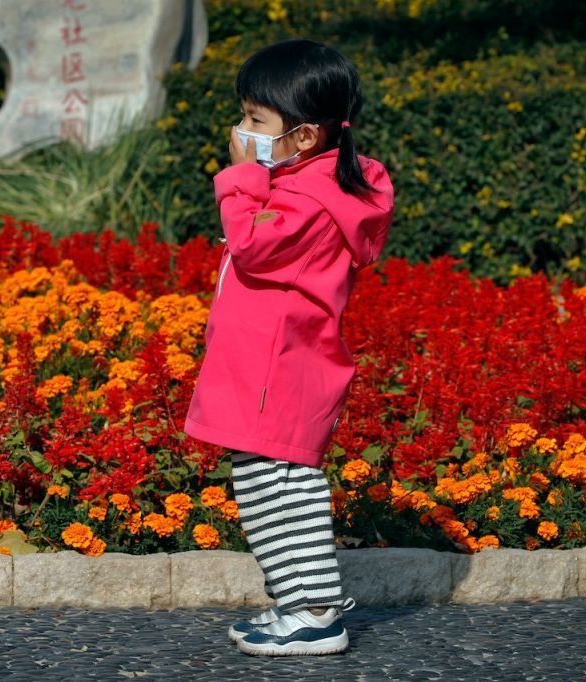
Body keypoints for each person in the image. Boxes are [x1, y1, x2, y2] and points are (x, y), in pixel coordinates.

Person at [182, 38, 394, 656]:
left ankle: (314, 613)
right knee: (263, 482)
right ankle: (295, 605)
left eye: (255, 120)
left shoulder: (308, 196)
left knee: (282, 487)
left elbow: (250, 244)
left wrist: (241, 177)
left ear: (303, 136)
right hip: (271, 362)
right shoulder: (314, 181)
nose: (241, 129)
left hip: (279, 366)